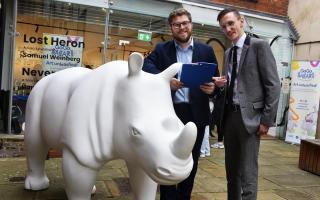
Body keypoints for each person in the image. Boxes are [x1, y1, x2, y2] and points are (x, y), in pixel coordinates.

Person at [143, 8, 219, 200]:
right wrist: (165, 80)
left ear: (191, 24)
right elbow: (146, 66)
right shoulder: (162, 49)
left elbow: (215, 81)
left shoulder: (206, 50)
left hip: (197, 115)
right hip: (170, 114)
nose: (182, 27)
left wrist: (213, 89)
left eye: (185, 23)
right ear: (171, 28)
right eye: (177, 25)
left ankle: (184, 196)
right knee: (165, 160)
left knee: (191, 162)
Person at [213, 8, 281, 200]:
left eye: (230, 23)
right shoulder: (228, 53)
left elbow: (273, 85)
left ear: (241, 21)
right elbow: (234, 83)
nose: (228, 29)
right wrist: (221, 85)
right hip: (230, 117)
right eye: (223, 26)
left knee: (248, 174)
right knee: (231, 173)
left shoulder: (259, 46)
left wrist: (266, 120)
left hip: (250, 120)